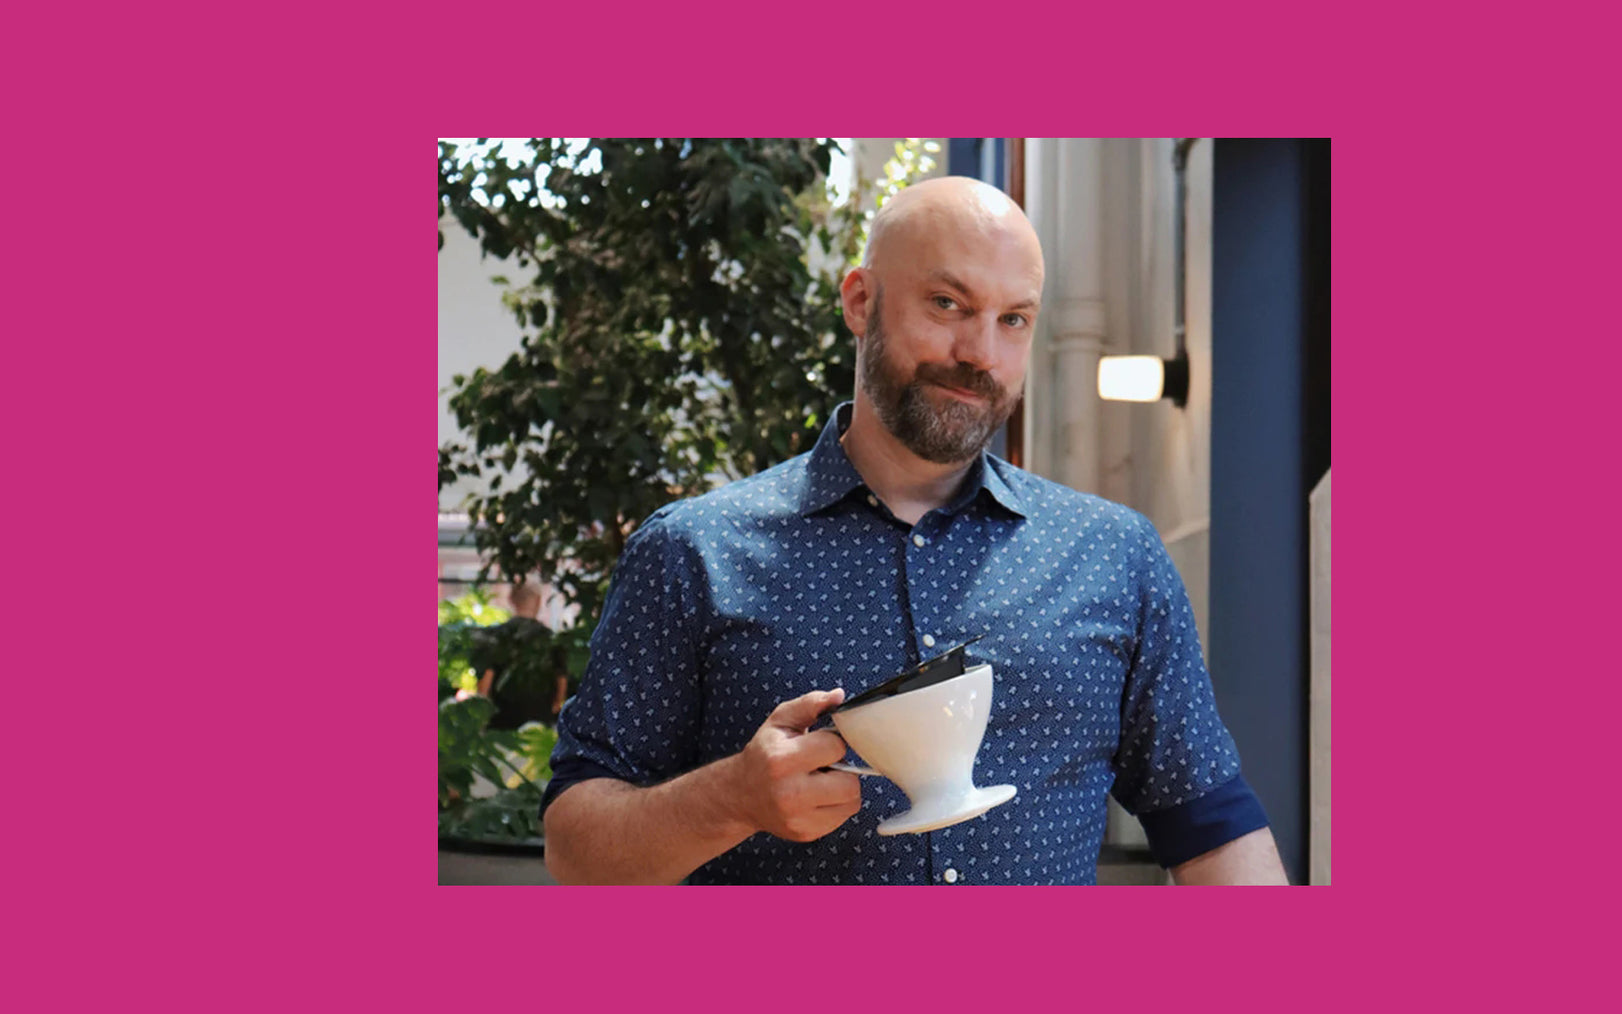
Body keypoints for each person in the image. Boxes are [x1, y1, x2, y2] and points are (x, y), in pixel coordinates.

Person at [542, 176, 1288, 885]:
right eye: (947, 303)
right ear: (860, 301)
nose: (980, 353)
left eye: (1013, 319)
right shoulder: (692, 552)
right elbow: (576, 855)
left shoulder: (1114, 557)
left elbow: (1212, 829)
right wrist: (730, 799)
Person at [474, 583, 569, 729]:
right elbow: (561, 676)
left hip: (502, 719)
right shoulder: (551, 639)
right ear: (538, 602)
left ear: (511, 600)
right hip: (541, 717)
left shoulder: (497, 636)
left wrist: (481, 713)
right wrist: (557, 704)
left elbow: (486, 677)